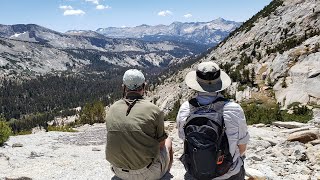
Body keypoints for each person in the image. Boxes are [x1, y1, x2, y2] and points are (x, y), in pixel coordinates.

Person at [176, 61, 250, 180]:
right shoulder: (234, 109)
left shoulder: (185, 108)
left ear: (196, 82)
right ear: (219, 82)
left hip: (195, 173)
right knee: (240, 161)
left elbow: (183, 138)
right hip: (227, 174)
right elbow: (242, 148)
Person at [105, 69, 173, 180]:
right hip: (147, 173)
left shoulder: (112, 109)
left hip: (118, 171)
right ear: (144, 86)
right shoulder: (154, 110)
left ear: (124, 87)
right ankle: (165, 174)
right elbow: (161, 144)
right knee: (168, 141)